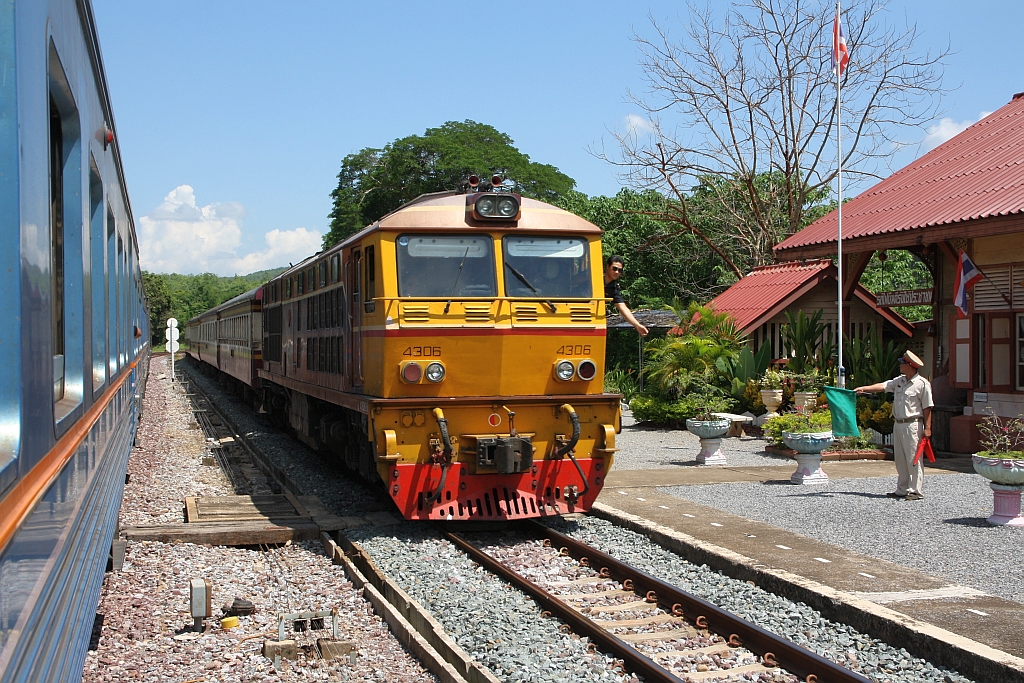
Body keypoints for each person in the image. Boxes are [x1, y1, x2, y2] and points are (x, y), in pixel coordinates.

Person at [854, 350, 933, 500]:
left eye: (902, 363)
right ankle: (902, 488)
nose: (900, 366)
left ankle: (915, 490)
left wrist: (928, 428)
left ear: (909, 365)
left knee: (913, 458)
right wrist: (864, 388)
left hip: (913, 424)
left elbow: (928, 407)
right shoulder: (900, 381)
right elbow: (883, 386)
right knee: (900, 458)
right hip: (899, 423)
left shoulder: (922, 384)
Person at [604, 256, 648, 336]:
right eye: (614, 268)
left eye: (620, 270)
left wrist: (637, 325)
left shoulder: (613, 288)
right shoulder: (594, 279)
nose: (617, 272)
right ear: (607, 266)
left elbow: (623, 308)